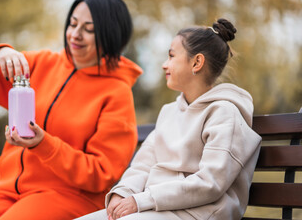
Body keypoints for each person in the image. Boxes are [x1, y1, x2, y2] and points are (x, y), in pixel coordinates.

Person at [0, 0, 142, 220]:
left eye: (89, 29)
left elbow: (101, 173)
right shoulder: (39, 64)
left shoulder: (116, 93)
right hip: (7, 191)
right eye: (73, 24)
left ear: (111, 35)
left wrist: (44, 145)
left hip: (69, 197)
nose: (75, 35)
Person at [76, 18, 262, 220]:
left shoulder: (225, 113)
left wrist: (142, 200)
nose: (165, 65)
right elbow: (143, 164)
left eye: (172, 56)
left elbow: (210, 184)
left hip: (199, 212)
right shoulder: (169, 112)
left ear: (197, 62)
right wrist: (122, 193)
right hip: (157, 207)